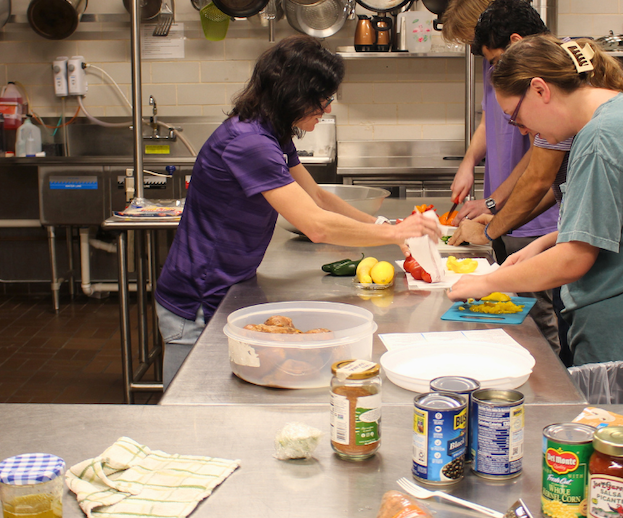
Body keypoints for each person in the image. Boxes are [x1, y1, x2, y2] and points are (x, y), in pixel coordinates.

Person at [155, 36, 441, 383]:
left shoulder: (271, 132)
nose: (328, 109)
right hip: (197, 302)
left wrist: (384, 223)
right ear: (294, 94)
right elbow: (316, 226)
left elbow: (317, 197)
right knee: (189, 410)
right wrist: (394, 233)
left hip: (227, 287)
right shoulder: (250, 143)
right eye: (323, 100)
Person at [447, 35, 623, 366]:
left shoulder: (601, 139)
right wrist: (548, 242)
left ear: (540, 90)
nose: (522, 131)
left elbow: (573, 260)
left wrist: (486, 282)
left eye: (516, 117)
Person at [447, 0, 575, 364]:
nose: (521, 131)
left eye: (518, 118)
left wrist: (491, 229)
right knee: (557, 334)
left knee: (550, 331)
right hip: (549, 238)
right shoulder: (555, 99)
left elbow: (539, 179)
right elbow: (556, 187)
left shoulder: (564, 95)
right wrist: (497, 218)